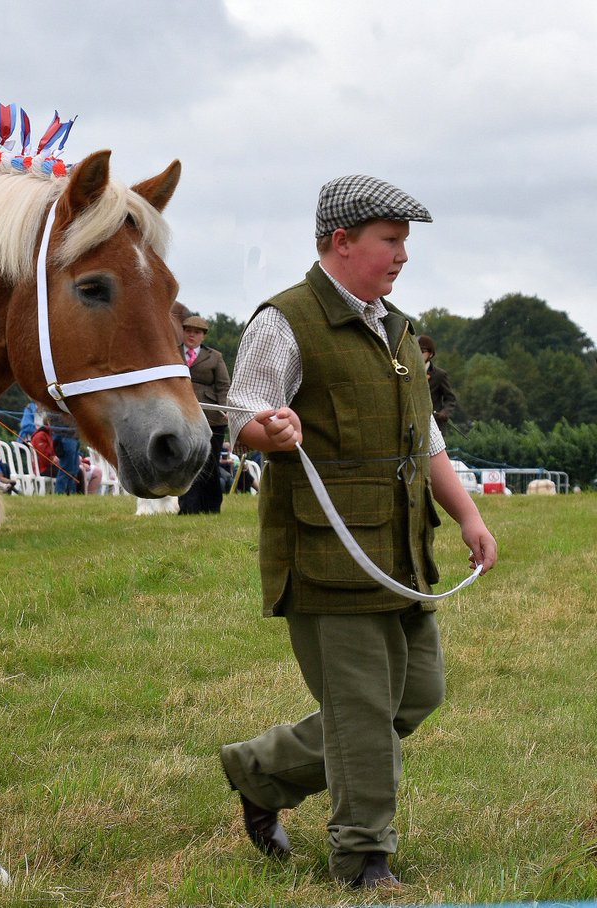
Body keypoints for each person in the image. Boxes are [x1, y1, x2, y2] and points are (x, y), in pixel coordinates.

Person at [219, 175, 498, 890]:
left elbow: (427, 439)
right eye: (391, 240)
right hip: (328, 556)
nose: (403, 255)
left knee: (416, 694)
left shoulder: (397, 328)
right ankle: (364, 859)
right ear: (341, 242)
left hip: (401, 555)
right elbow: (242, 416)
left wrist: (468, 515)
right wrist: (271, 430)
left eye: (404, 242)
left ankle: (261, 772)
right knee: (365, 710)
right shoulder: (283, 321)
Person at [177, 314, 230, 514]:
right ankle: (187, 508)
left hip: (211, 417)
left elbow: (223, 385)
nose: (192, 335)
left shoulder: (215, 357)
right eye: (188, 331)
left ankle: (211, 507)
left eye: (197, 332)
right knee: (185, 462)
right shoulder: (171, 353)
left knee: (210, 464)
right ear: (183, 332)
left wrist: (224, 408)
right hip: (180, 415)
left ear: (203, 336)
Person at [418, 335, 457, 431]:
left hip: (434, 424)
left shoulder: (440, 375)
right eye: (415, 351)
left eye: (422, 352)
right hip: (413, 424)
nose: (418, 354)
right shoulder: (406, 373)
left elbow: (450, 399)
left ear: (430, 354)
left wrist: (445, 412)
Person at [48, 411, 81, 494]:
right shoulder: (56, 407)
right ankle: (60, 492)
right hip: (66, 437)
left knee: (74, 469)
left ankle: (71, 493)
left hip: (74, 437)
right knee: (66, 468)